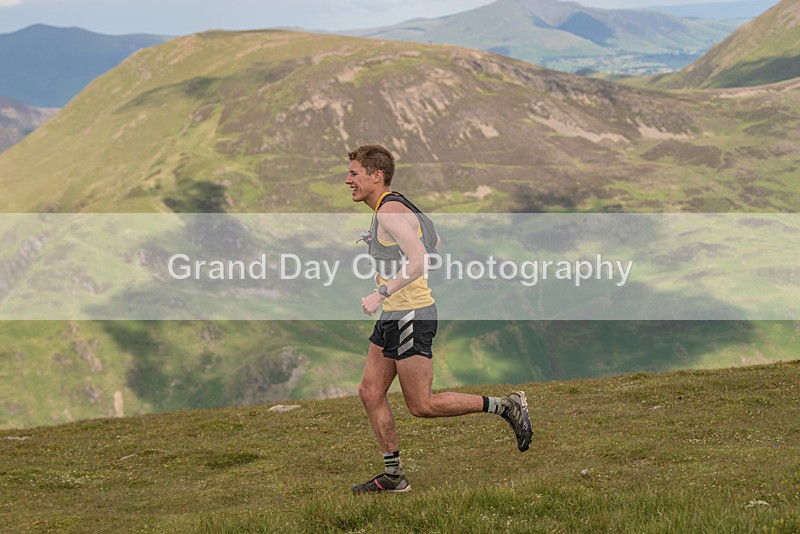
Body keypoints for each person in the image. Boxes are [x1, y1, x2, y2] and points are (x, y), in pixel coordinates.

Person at [345, 144, 533, 494]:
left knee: (422, 405)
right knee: (371, 391)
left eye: (354, 174)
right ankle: (393, 476)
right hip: (395, 315)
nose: (347, 180)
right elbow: (434, 238)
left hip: (411, 315)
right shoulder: (396, 203)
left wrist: (381, 292)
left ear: (376, 175)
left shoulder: (389, 212)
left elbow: (420, 259)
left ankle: (506, 406)